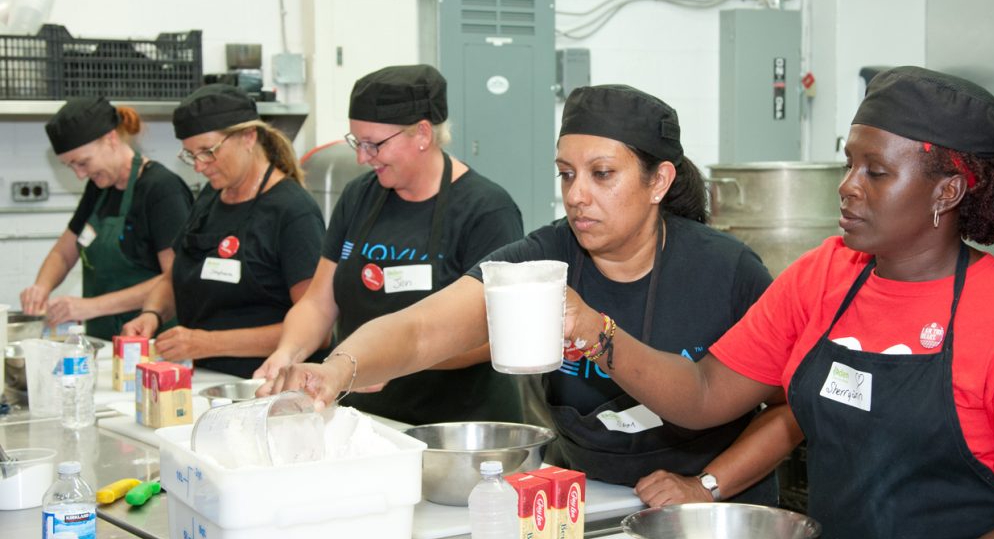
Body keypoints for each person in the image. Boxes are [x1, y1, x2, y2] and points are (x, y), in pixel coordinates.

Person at [559, 67, 994, 539]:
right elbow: (702, 394)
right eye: (849, 164)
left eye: (876, 171)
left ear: (947, 191)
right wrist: (597, 333)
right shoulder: (824, 275)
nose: (848, 186)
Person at [262, 84, 802, 506]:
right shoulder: (544, 260)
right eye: (566, 175)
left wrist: (707, 485)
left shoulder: (726, 272)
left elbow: (789, 409)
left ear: (659, 181)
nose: (577, 196)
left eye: (602, 174)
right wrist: (338, 369)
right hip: (589, 499)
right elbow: (422, 327)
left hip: (706, 515)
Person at [256, 64, 526, 425]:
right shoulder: (359, 197)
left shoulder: (486, 210)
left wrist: (386, 357)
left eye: (374, 144)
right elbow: (319, 303)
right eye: (357, 142)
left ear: (423, 134)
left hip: (453, 426)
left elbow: (498, 337)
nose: (361, 158)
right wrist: (288, 353)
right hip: (364, 418)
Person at [122, 84, 325, 378]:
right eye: (191, 155)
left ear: (248, 137)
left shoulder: (293, 211)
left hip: (262, 384)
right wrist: (152, 313)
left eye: (208, 152)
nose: (200, 166)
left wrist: (206, 343)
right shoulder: (211, 196)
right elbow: (174, 277)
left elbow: (318, 327)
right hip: (203, 377)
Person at [21, 97, 193, 340]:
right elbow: (63, 252)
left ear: (111, 139)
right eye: (71, 166)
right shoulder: (99, 187)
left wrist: (90, 306)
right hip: (104, 340)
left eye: (82, 162)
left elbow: (176, 278)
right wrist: (41, 287)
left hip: (152, 342)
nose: (80, 175)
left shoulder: (162, 190)